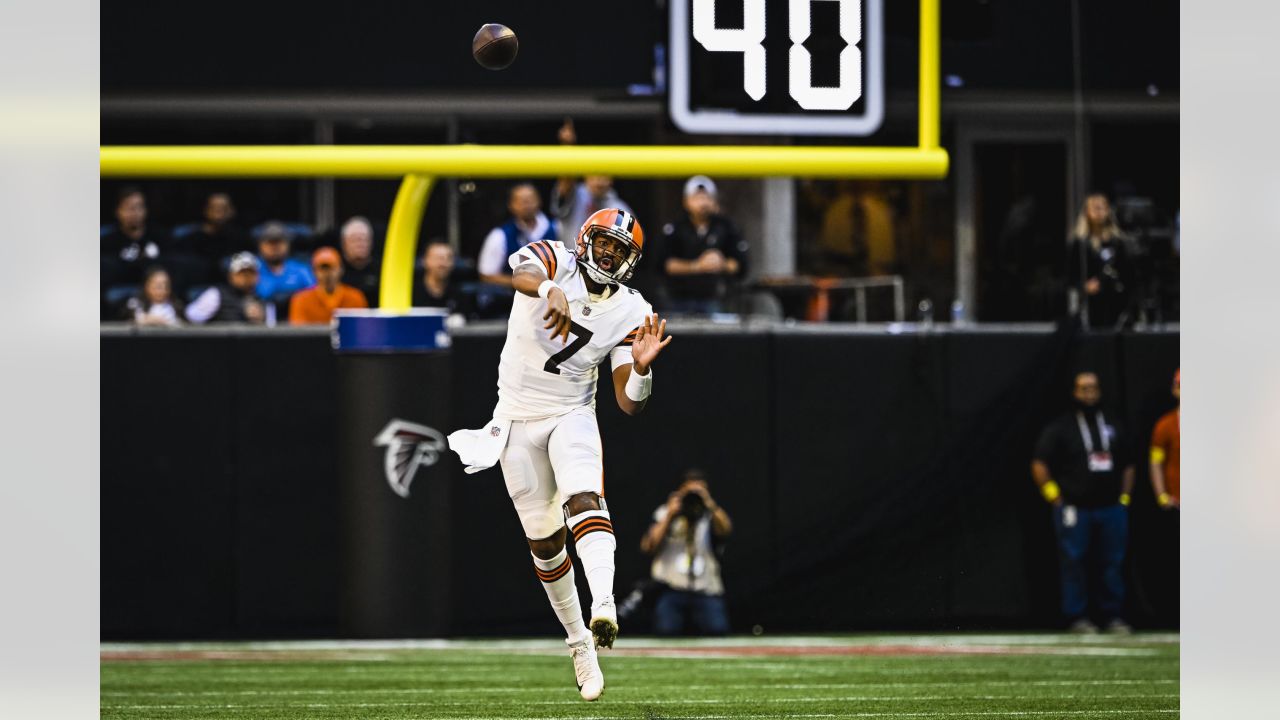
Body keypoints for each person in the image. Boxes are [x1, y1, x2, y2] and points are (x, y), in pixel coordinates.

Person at [446, 207, 671, 702]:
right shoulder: (554, 259)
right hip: (517, 418)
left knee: (584, 498)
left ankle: (605, 604)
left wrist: (641, 369)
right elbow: (522, 273)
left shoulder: (634, 310)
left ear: (631, 260)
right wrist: (549, 289)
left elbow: (628, 402)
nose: (609, 254)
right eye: (604, 243)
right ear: (585, 240)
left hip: (572, 410)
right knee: (545, 544)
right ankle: (579, 645)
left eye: (620, 249)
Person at [1031, 372, 1135, 634]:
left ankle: (1112, 615)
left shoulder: (1112, 423)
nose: (1089, 393)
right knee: (1074, 562)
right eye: (1083, 389)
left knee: (1112, 562)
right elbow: (1039, 463)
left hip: (1111, 506)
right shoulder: (1061, 427)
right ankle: (1077, 616)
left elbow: (1128, 463)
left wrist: (1124, 497)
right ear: (1075, 392)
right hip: (1075, 507)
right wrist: (1053, 496)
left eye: (1093, 388)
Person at [640, 470, 733, 636]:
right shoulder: (665, 513)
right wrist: (670, 515)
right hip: (671, 589)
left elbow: (726, 530)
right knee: (665, 631)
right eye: (690, 493)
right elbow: (648, 546)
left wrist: (708, 503)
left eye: (698, 493)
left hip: (705, 590)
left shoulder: (710, 515)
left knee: (718, 630)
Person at [657, 176, 748, 314]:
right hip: (678, 299)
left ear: (714, 201)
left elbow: (741, 265)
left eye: (707, 198)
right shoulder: (674, 228)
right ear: (686, 201)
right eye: (697, 198)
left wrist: (721, 264)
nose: (702, 203)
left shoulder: (726, 227)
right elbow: (663, 264)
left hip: (716, 298)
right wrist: (697, 266)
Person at [550, 119, 633, 239]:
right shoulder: (576, 195)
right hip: (572, 257)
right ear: (585, 176)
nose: (599, 180)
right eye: (595, 174)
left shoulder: (620, 208)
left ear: (611, 180)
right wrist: (567, 147)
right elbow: (566, 182)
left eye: (604, 175)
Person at [1068, 193, 1134, 328]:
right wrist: (1084, 286)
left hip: (1116, 298)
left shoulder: (1118, 241)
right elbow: (1070, 273)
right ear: (1087, 212)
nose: (1099, 212)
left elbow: (1129, 272)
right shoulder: (1081, 243)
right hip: (1092, 302)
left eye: (1102, 208)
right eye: (1095, 208)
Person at [101, 186, 167, 287]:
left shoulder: (160, 237)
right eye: (129, 208)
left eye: (139, 207)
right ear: (118, 211)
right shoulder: (107, 242)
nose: (135, 213)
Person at [288, 247, 369, 325]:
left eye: (331, 268)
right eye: (322, 269)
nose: (327, 274)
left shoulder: (355, 297)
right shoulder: (301, 299)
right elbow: (299, 333)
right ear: (313, 272)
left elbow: (361, 330)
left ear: (341, 270)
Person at [185, 252, 268, 324]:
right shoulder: (216, 294)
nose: (246, 277)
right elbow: (191, 316)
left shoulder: (263, 298)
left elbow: (273, 329)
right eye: (241, 273)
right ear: (231, 276)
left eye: (250, 273)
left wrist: (261, 320)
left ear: (257, 276)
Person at [255, 221, 315, 304]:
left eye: (279, 242)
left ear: (288, 244)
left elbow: (313, 294)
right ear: (261, 246)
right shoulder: (253, 269)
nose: (275, 247)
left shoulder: (300, 270)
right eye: (270, 243)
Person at [412, 241, 475, 318]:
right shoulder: (411, 293)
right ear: (425, 261)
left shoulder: (459, 295)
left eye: (448, 258)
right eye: (439, 258)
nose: (443, 264)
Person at [1149, 369, 1181, 510]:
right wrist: (1161, 495)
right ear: (1175, 390)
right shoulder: (1165, 424)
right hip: (1178, 502)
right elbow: (1156, 461)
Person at [339, 216, 381, 306]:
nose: (360, 244)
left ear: (371, 242)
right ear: (344, 243)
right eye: (355, 239)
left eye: (364, 239)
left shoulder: (382, 269)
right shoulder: (337, 269)